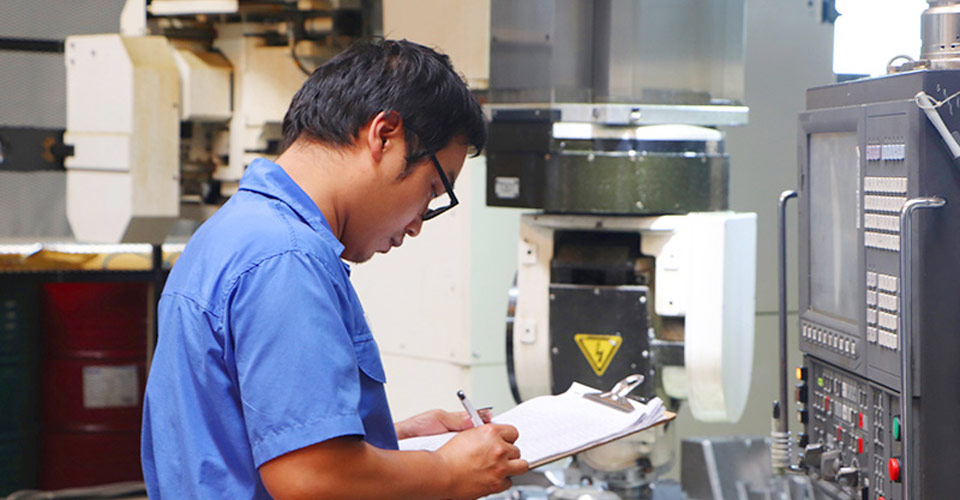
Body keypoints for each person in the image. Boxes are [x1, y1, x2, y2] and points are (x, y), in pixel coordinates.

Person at [141, 39, 529, 499]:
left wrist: (392, 441)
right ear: (384, 135)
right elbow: (310, 477)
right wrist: (446, 471)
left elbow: (248, 450)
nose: (416, 225)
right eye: (431, 190)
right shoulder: (286, 259)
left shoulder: (235, 233)